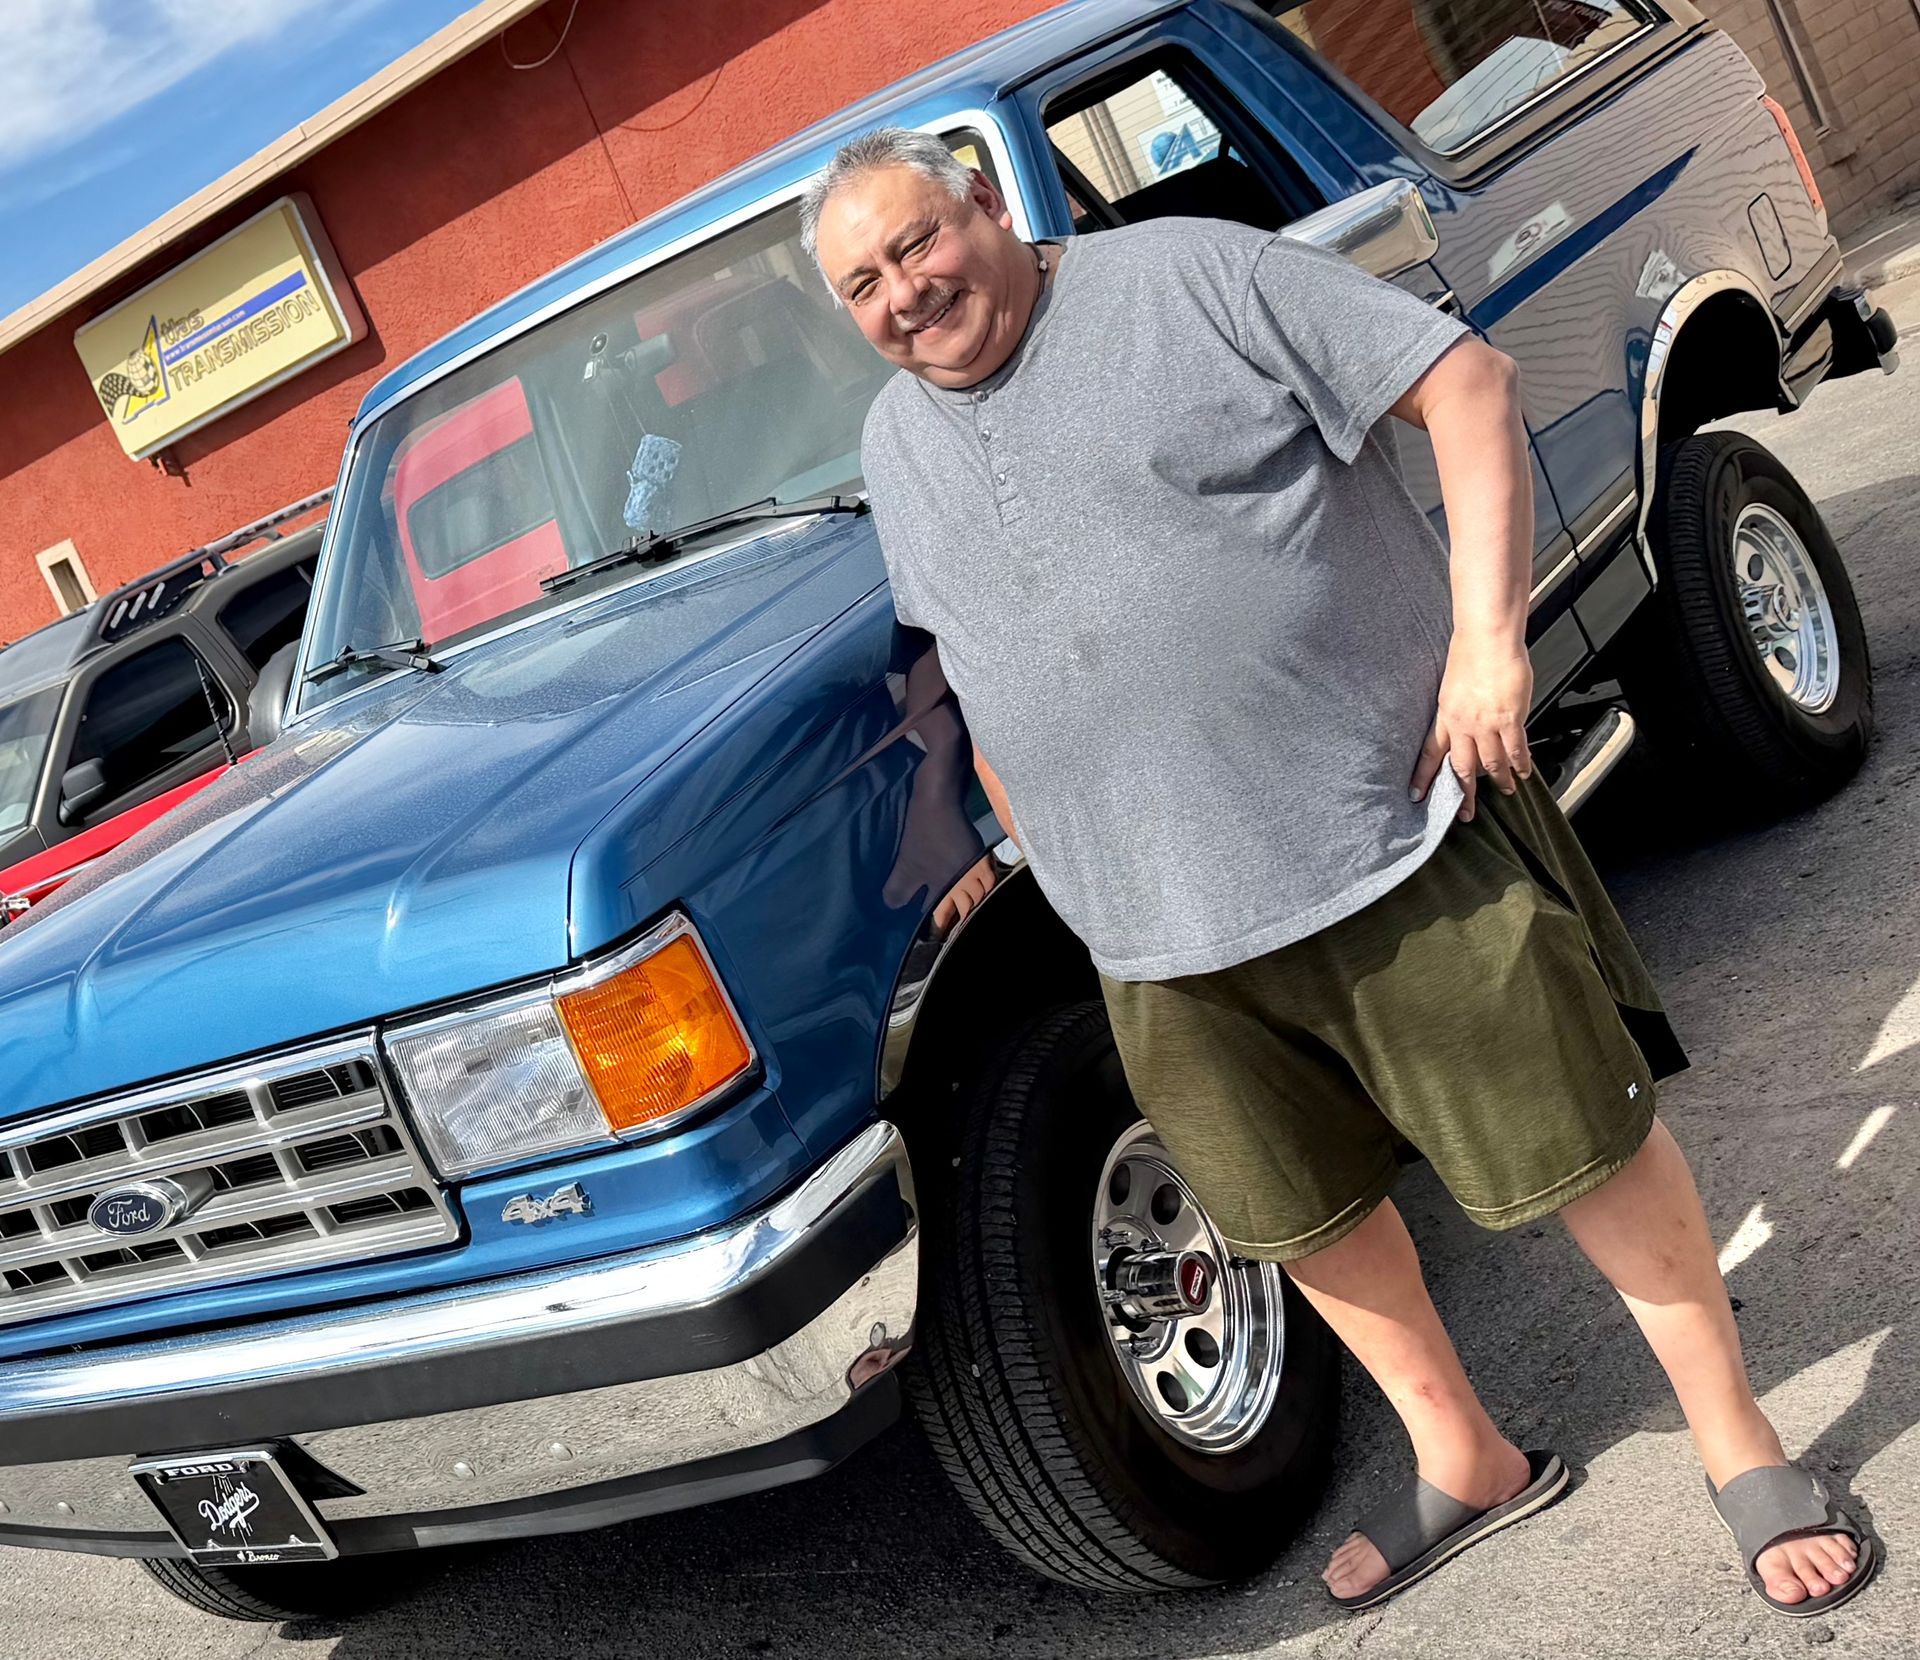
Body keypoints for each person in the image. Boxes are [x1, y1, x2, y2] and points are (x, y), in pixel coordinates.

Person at [801, 126, 1877, 1617]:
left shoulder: (1188, 280)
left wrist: (1492, 641)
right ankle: (1467, 1456)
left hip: (1383, 830)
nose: (905, 295)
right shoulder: (893, 443)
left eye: (918, 243)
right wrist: (1022, 814)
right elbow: (970, 640)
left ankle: (1739, 1441)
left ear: (986, 204)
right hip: (1150, 930)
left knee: (1583, 1140)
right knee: (1300, 1212)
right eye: (864, 282)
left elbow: (1466, 383)